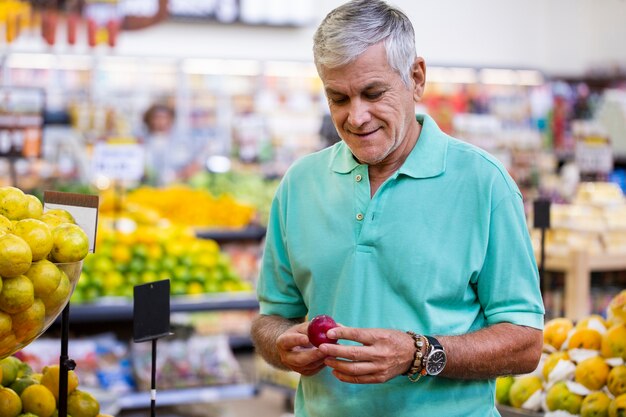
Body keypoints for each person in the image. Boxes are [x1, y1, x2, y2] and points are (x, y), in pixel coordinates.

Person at [251, 1, 545, 416]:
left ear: (416, 78)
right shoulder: (300, 184)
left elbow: (525, 342)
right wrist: (283, 346)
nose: (356, 116)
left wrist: (418, 353)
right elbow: (271, 319)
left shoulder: (484, 183)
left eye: (373, 93)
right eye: (338, 98)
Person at [141, 102, 202, 186]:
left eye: (164, 118)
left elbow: (196, 163)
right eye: (156, 118)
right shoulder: (141, 141)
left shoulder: (183, 140)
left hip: (179, 187)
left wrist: (180, 175)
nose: (161, 122)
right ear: (149, 120)